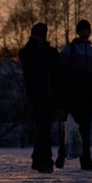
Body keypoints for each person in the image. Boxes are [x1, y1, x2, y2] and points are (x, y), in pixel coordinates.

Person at [57, 19, 92, 170]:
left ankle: (86, 161)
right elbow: (59, 74)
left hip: (88, 98)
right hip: (71, 98)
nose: (85, 32)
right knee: (68, 129)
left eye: (87, 29)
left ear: (90, 31)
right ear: (78, 32)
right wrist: (60, 97)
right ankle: (61, 157)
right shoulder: (68, 50)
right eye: (82, 30)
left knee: (85, 131)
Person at [19, 23, 62, 173]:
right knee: (43, 127)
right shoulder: (30, 51)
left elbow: (57, 74)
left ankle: (38, 160)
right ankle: (45, 160)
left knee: (43, 128)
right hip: (38, 96)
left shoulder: (47, 52)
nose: (37, 37)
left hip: (48, 95)